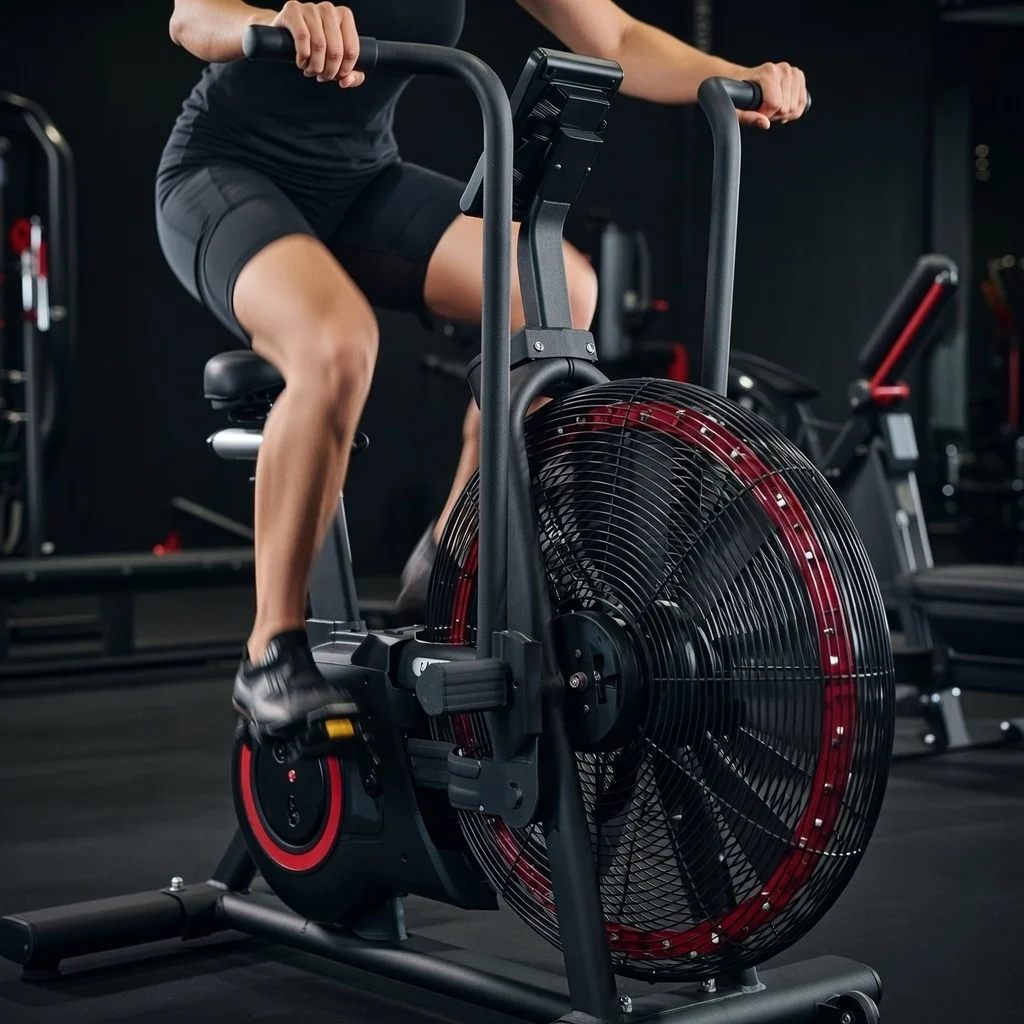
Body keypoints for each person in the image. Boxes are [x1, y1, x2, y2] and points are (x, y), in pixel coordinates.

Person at [160, 0, 808, 745]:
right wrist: (279, 20)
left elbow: (616, 37)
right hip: (225, 174)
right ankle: (271, 651)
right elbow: (191, 18)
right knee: (337, 343)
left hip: (359, 181)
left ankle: (444, 558)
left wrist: (736, 77)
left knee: (559, 288)